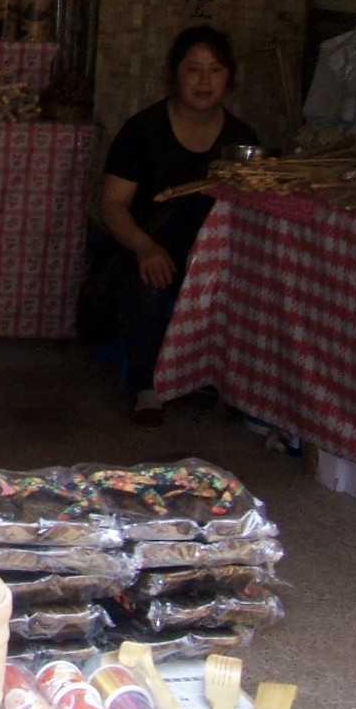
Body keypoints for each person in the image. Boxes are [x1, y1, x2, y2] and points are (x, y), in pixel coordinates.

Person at [97, 26, 258, 426]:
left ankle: (228, 385)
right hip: (150, 249)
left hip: (212, 258)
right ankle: (146, 384)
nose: (205, 81)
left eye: (216, 70)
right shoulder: (143, 131)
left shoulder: (241, 140)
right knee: (151, 283)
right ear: (175, 75)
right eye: (193, 70)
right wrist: (144, 247)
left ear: (229, 77)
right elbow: (113, 205)